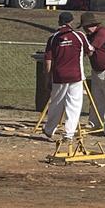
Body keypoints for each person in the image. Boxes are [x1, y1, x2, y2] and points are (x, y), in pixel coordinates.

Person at [43, 12, 92, 141]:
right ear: (71, 22)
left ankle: (49, 129)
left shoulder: (53, 38)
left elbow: (48, 60)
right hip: (76, 75)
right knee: (74, 105)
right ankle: (69, 133)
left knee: (56, 103)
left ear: (59, 22)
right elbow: (90, 51)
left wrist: (47, 78)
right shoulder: (79, 36)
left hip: (59, 76)